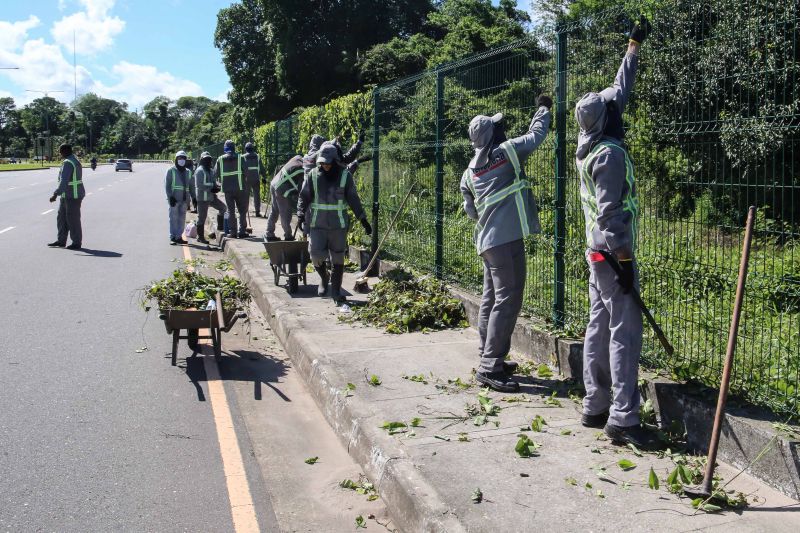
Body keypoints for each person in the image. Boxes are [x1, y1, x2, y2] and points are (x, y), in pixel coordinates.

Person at [574, 16, 657, 449]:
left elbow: (617, 91)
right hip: (611, 253)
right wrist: (625, 262)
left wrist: (632, 47)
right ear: (607, 119)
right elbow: (611, 215)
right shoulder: (610, 156)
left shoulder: (589, 144)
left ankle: (595, 404)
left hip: (594, 252)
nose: (618, 105)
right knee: (624, 330)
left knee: (599, 326)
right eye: (613, 107)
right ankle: (624, 418)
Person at [460, 96, 553, 393]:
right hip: (505, 240)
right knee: (507, 298)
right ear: (492, 136)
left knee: (491, 297)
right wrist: (543, 109)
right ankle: (490, 366)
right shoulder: (508, 152)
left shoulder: (468, 173)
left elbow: (471, 210)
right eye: (497, 127)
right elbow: (537, 135)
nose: (502, 130)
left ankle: (490, 355)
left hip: (488, 242)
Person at [297, 142, 371, 303]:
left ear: (336, 162)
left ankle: (336, 292)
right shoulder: (313, 176)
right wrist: (301, 213)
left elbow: (353, 199)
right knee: (315, 255)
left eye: (328, 163)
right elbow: (304, 196)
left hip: (338, 226)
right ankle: (324, 278)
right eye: (322, 163)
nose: (325, 166)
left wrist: (363, 219)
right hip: (317, 225)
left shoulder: (345, 176)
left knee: (338, 259)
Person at [48, 144, 84, 250]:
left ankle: (76, 242)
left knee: (73, 219)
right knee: (61, 218)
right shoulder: (73, 160)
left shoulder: (68, 162)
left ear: (64, 151)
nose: (60, 153)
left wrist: (55, 194)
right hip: (67, 195)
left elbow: (64, 181)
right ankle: (61, 240)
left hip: (73, 195)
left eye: (60, 151)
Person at [265, 153, 305, 242]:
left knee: (275, 211)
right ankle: (288, 236)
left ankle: (269, 234)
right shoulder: (303, 169)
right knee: (286, 213)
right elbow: (301, 191)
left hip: (274, 183)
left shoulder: (296, 158)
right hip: (281, 188)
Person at [214, 140, 249, 238]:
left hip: (227, 190)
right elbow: (247, 172)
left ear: (225, 148)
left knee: (231, 211)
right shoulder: (241, 158)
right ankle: (242, 231)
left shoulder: (220, 159)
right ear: (234, 148)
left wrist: (218, 184)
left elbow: (215, 174)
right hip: (240, 188)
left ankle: (233, 232)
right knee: (242, 211)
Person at [194, 151, 226, 245]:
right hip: (202, 198)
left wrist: (218, 187)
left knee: (223, 208)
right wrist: (212, 188)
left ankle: (219, 228)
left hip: (211, 197)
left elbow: (214, 182)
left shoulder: (211, 170)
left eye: (209, 159)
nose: (208, 161)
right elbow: (200, 185)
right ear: (202, 160)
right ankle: (200, 237)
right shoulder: (199, 171)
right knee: (202, 218)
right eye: (206, 159)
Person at [165, 150, 192, 245]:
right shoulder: (171, 171)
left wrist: (193, 198)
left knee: (182, 218)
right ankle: (172, 237)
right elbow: (167, 186)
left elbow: (191, 186)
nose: (182, 160)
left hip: (184, 200)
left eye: (183, 158)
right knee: (173, 218)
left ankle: (179, 236)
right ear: (176, 159)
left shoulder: (188, 172)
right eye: (180, 158)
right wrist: (170, 197)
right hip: (174, 199)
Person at [243, 142, 267, 217]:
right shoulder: (257, 156)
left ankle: (244, 211)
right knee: (257, 195)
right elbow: (262, 168)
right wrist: (264, 177)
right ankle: (257, 211)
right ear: (253, 148)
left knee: (246, 195)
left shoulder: (243, 157)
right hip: (256, 178)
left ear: (246, 149)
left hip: (246, 179)